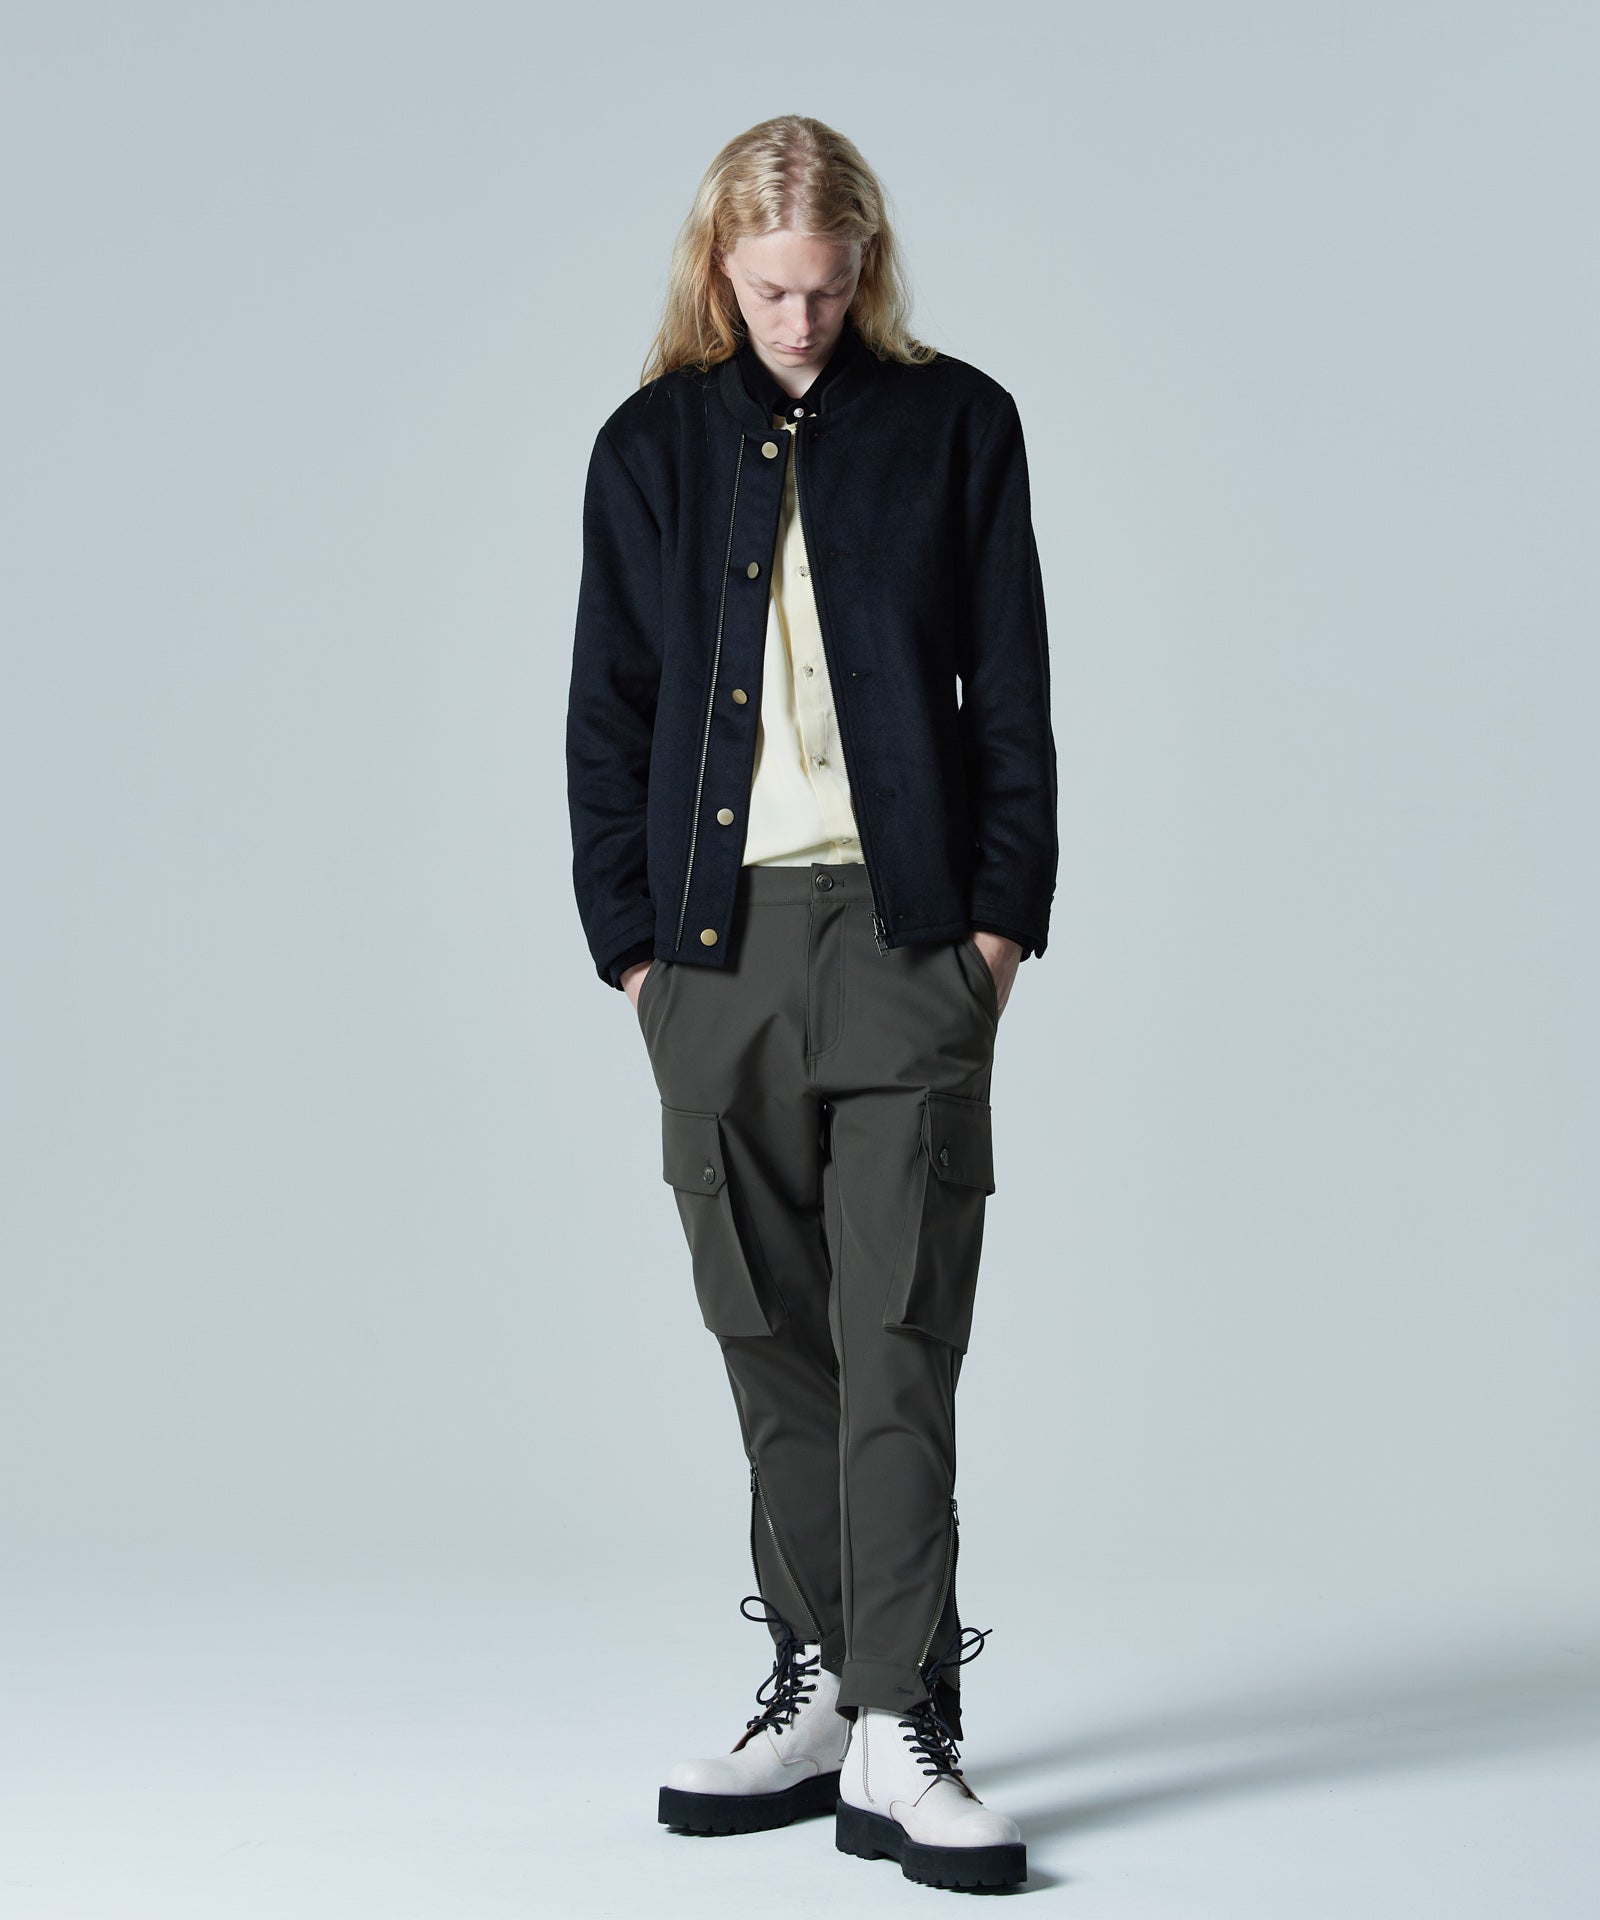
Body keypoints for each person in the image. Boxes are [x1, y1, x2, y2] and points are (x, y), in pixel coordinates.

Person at [565, 114, 1057, 1894]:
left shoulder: (957, 424)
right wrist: (633, 954)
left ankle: (909, 1722)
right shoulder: (648, 448)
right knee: (770, 1337)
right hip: (713, 953)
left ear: (868, 268)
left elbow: (1012, 690)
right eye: (772, 290)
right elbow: (608, 710)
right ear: (721, 266)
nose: (800, 320)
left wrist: (994, 936)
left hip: (907, 936)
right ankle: (826, 1685)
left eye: (829, 289)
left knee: (898, 1341)